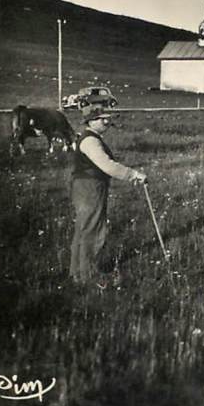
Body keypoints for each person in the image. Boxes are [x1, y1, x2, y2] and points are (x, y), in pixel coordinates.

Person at [70, 102, 147, 285]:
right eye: (103, 119)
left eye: (108, 118)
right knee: (93, 229)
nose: (107, 122)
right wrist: (133, 174)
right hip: (90, 188)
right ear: (91, 121)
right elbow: (107, 166)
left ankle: (77, 274)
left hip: (86, 185)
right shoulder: (90, 141)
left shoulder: (90, 137)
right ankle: (88, 275)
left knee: (84, 228)